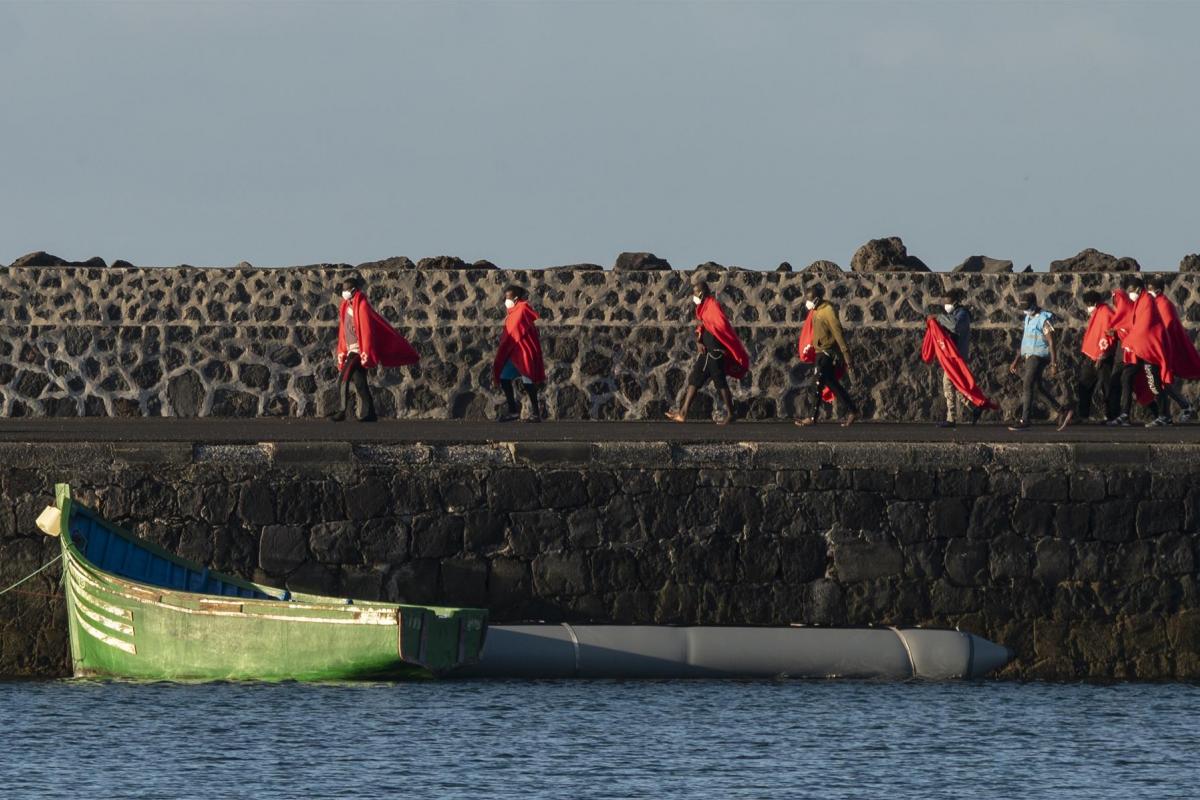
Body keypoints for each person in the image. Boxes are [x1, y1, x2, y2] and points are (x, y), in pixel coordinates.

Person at [331, 276, 420, 422]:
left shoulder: (362, 305)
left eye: (347, 289)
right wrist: (343, 350)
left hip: (358, 351)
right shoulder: (346, 306)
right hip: (351, 349)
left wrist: (365, 351)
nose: (344, 292)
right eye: (343, 289)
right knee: (360, 383)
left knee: (343, 378)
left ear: (354, 290)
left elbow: (366, 331)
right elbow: (344, 331)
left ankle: (341, 411)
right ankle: (370, 413)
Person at [666, 279, 750, 425]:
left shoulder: (712, 305)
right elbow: (702, 325)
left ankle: (731, 414)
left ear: (701, 292)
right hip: (706, 352)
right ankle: (683, 413)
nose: (694, 296)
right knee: (695, 379)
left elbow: (721, 324)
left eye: (695, 293)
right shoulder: (703, 307)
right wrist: (700, 341)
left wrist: (713, 334)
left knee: (720, 382)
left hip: (716, 352)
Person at [795, 283, 859, 427]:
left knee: (816, 383)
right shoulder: (816, 310)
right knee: (833, 385)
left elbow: (838, 334)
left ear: (817, 299)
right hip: (819, 352)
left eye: (810, 299)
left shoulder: (828, 311)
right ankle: (853, 410)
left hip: (827, 353)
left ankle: (812, 417)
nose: (808, 302)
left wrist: (847, 357)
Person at [1008, 292, 1073, 431]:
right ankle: (1062, 411)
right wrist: (1016, 360)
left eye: (1027, 306)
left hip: (1038, 356)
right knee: (1036, 388)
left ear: (1034, 304)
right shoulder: (1028, 318)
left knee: (1027, 384)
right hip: (1029, 356)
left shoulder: (1044, 319)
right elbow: (1025, 341)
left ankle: (1025, 420)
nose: (1025, 310)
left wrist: (1054, 364)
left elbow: (1051, 341)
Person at [1146, 275, 1197, 423]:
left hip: (1166, 349)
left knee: (1163, 382)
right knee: (1162, 382)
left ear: (1158, 290)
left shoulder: (1163, 305)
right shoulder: (1158, 303)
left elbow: (1166, 327)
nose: (1148, 292)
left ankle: (1182, 408)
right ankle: (1182, 407)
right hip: (1160, 348)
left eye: (1150, 290)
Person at [492, 284, 546, 422]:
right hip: (513, 353)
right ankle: (513, 412)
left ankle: (535, 413)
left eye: (508, 298)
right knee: (504, 378)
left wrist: (505, 346)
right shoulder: (513, 311)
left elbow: (514, 331)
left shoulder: (522, 309)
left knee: (527, 380)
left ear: (516, 298)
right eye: (505, 298)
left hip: (523, 351)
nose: (506, 300)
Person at [932, 289, 984, 427]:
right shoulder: (955, 314)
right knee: (958, 386)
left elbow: (955, 326)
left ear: (954, 302)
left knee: (948, 385)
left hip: (957, 356)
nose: (945, 305)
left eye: (946, 302)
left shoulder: (962, 314)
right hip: (952, 356)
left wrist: (939, 318)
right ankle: (975, 408)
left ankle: (951, 419)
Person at [1074, 290, 1116, 423]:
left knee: (1107, 387)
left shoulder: (1106, 313)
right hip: (1091, 356)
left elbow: (1107, 336)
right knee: (1084, 385)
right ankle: (1084, 415)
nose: (1088, 306)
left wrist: (1101, 356)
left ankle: (1112, 416)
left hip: (1102, 357)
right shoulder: (1097, 312)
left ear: (1095, 302)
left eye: (1089, 304)